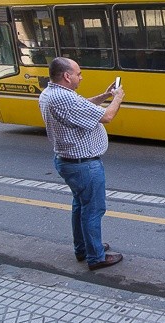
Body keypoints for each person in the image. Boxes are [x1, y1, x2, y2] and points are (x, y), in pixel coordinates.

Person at [38, 57, 125, 271]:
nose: (81, 77)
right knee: (93, 210)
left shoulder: (51, 93)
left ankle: (83, 248)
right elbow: (107, 116)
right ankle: (95, 257)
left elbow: (82, 106)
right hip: (83, 164)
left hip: (69, 162)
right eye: (78, 73)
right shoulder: (63, 98)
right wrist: (117, 98)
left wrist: (105, 95)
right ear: (67, 76)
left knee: (80, 207)